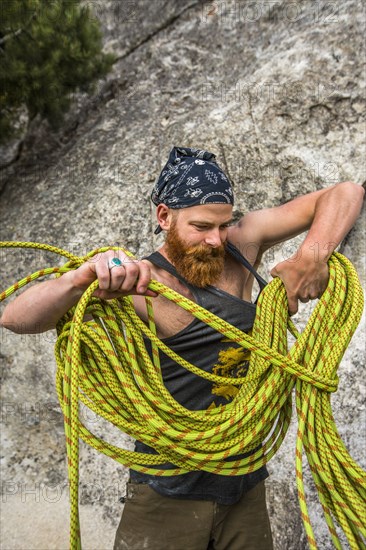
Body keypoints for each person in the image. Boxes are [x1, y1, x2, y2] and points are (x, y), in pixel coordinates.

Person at [0, 146, 364, 550]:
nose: (215, 240)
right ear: (164, 216)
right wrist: (80, 279)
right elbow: (16, 318)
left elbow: (346, 192)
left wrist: (312, 256)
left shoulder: (241, 246)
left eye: (223, 225)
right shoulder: (142, 282)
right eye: (202, 226)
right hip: (167, 493)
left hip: (243, 484)